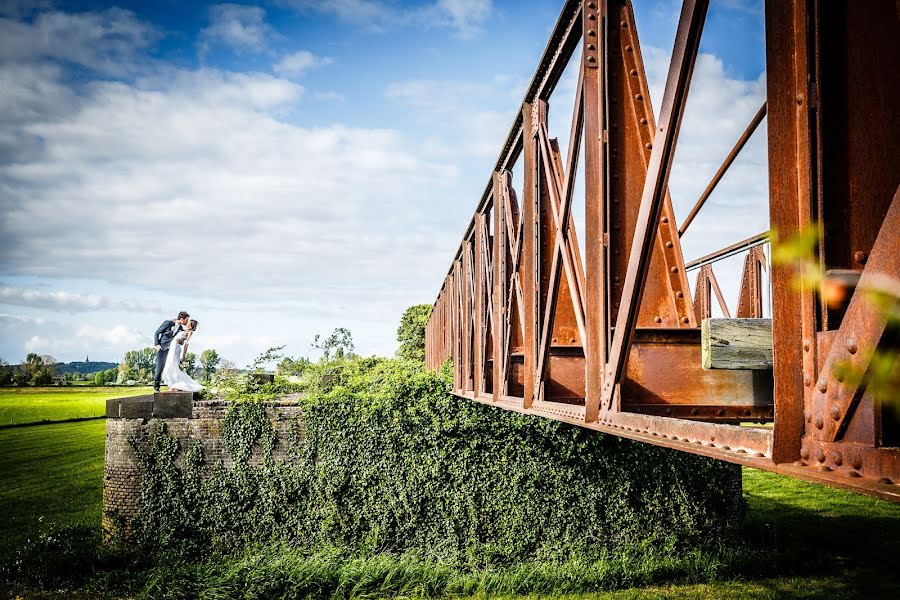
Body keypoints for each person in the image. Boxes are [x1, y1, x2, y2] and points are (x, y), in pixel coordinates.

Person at [161, 319, 204, 393]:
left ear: (191, 326)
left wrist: (183, 356)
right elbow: (182, 341)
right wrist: (181, 341)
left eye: (189, 323)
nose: (187, 324)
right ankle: (173, 385)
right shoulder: (183, 330)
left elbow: (186, 344)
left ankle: (176, 385)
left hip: (175, 350)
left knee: (173, 366)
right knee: (169, 365)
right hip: (172, 349)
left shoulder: (190, 332)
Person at [153, 311, 190, 392]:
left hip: (172, 351)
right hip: (162, 348)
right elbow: (157, 332)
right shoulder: (168, 323)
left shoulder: (181, 329)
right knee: (160, 367)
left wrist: (181, 342)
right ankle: (156, 388)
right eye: (186, 319)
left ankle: (172, 385)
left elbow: (180, 340)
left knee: (171, 367)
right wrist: (157, 344)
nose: (187, 321)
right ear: (181, 319)